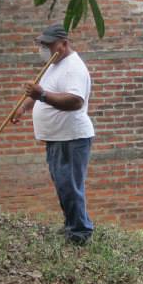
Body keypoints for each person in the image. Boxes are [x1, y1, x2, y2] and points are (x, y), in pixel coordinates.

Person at [13, 23, 95, 244]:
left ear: (64, 44)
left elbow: (75, 101)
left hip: (72, 137)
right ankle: (72, 225)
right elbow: (42, 89)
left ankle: (80, 233)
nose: (44, 48)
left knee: (70, 185)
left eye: (48, 44)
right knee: (63, 184)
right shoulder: (54, 64)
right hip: (57, 137)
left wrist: (42, 96)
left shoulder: (73, 68)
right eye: (42, 44)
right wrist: (23, 107)